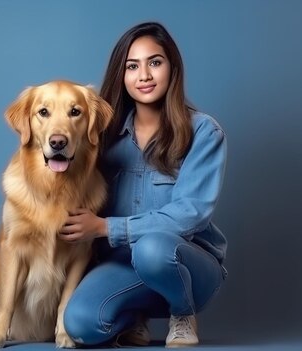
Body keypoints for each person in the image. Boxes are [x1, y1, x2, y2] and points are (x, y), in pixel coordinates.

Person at [58, 21, 228, 348]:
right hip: (123, 266)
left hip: (187, 266)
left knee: (152, 248)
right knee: (79, 325)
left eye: (155, 62)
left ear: (172, 67)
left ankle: (182, 312)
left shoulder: (203, 132)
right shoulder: (101, 138)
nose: (144, 76)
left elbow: (190, 214)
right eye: (132, 66)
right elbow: (66, 179)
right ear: (121, 76)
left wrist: (107, 228)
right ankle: (134, 314)